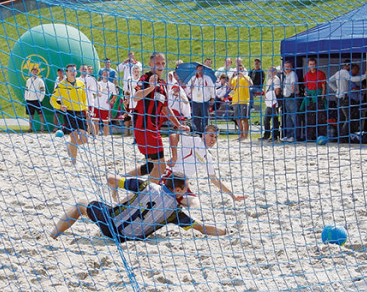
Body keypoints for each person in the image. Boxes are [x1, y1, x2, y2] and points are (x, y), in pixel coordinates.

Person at [49, 172, 227, 242]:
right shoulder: (175, 212)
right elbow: (201, 228)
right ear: (179, 190)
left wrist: (113, 193)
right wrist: (224, 231)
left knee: (81, 204)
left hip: (110, 225)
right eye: (186, 188)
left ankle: (53, 235)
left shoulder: (145, 185)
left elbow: (111, 179)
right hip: (127, 240)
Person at [132, 52, 185, 182]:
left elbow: (165, 109)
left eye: (163, 63)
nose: (160, 66)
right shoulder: (146, 78)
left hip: (152, 129)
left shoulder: (162, 84)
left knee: (151, 166)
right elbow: (135, 96)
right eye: (157, 63)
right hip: (145, 128)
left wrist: (178, 124)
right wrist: (151, 88)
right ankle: (146, 195)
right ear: (150, 65)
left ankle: (117, 180)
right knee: (160, 168)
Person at [168, 125, 246, 208]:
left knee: (196, 205)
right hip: (170, 176)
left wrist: (232, 195)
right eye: (211, 136)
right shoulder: (195, 141)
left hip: (182, 185)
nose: (213, 139)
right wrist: (174, 156)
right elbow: (173, 136)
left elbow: (214, 179)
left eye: (216, 137)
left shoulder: (207, 156)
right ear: (203, 135)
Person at [50, 64, 89, 164]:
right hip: (69, 113)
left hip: (80, 113)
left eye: (74, 71)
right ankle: (74, 161)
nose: (73, 72)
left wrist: (86, 110)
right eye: (70, 70)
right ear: (66, 72)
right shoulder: (62, 85)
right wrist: (60, 107)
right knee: (74, 137)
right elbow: (52, 99)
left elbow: (84, 99)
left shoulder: (81, 84)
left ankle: (70, 146)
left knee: (85, 139)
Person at [328, 62, 367, 138]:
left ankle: (340, 136)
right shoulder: (345, 72)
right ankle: (343, 135)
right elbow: (353, 79)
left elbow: (329, 80)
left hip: (338, 97)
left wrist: (336, 89)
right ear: (347, 66)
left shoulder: (338, 72)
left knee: (341, 118)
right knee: (348, 117)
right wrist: (364, 76)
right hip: (343, 97)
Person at [301, 58, 327, 141]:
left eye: (313, 64)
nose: (312, 66)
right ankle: (310, 137)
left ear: (316, 65)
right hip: (310, 99)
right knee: (310, 118)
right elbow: (306, 87)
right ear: (308, 65)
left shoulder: (321, 74)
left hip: (318, 97)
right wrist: (306, 93)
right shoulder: (307, 75)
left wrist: (322, 96)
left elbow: (323, 86)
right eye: (310, 64)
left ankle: (321, 136)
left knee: (320, 118)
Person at [186, 64, 215, 134]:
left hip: (204, 101)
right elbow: (187, 89)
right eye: (198, 70)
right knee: (196, 119)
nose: (200, 72)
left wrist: (213, 98)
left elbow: (212, 89)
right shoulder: (193, 79)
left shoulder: (207, 78)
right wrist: (190, 88)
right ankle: (198, 133)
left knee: (205, 118)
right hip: (195, 101)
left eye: (201, 70)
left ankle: (205, 132)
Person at [229, 63, 253, 141]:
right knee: (237, 119)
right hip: (235, 100)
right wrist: (232, 77)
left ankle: (245, 135)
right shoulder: (234, 79)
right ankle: (241, 135)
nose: (239, 70)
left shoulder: (247, 77)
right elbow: (230, 87)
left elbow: (251, 84)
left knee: (244, 118)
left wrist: (243, 76)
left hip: (244, 100)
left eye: (240, 68)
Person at [92, 70, 117, 136]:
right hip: (96, 105)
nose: (105, 75)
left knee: (106, 123)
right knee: (95, 122)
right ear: (102, 75)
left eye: (107, 74)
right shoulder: (98, 83)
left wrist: (111, 100)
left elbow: (115, 95)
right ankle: (95, 137)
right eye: (104, 74)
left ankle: (106, 137)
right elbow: (93, 92)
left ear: (109, 75)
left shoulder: (111, 85)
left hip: (106, 106)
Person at [24, 66, 46, 132]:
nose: (34, 72)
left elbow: (43, 90)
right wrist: (26, 98)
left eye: (35, 71)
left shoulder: (40, 80)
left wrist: (40, 99)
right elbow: (26, 89)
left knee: (41, 114)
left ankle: (42, 128)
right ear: (31, 72)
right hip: (29, 100)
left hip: (37, 100)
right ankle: (30, 128)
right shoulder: (28, 80)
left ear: (37, 72)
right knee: (30, 115)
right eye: (33, 71)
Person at [281, 61, 299, 142]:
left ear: (291, 67)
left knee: (293, 117)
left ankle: (295, 136)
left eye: (288, 67)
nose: (287, 68)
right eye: (285, 67)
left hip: (292, 97)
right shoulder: (286, 75)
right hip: (287, 98)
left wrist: (294, 90)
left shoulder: (292, 74)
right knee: (288, 118)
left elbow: (293, 83)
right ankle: (288, 136)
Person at [262, 66, 281, 141]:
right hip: (269, 101)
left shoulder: (276, 80)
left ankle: (275, 135)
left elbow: (277, 91)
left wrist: (272, 97)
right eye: (270, 70)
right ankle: (266, 134)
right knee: (266, 119)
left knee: (275, 119)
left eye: (272, 70)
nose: (271, 72)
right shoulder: (269, 79)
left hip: (273, 101)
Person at [122, 64, 141, 136]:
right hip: (132, 101)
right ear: (132, 72)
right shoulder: (130, 80)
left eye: (137, 71)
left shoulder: (141, 80)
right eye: (135, 71)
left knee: (140, 118)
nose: (136, 72)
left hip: (140, 101)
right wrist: (127, 99)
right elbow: (128, 90)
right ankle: (134, 135)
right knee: (133, 118)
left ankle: (139, 134)